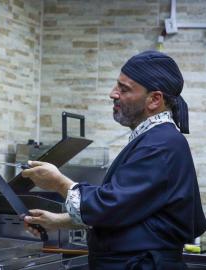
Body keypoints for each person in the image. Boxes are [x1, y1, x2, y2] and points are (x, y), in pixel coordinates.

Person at [21, 50, 206, 270]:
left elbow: (109, 205)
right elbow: (128, 211)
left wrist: (58, 182)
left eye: (124, 89)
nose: (113, 94)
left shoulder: (161, 144)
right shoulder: (154, 139)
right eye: (116, 85)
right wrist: (57, 221)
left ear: (155, 99)